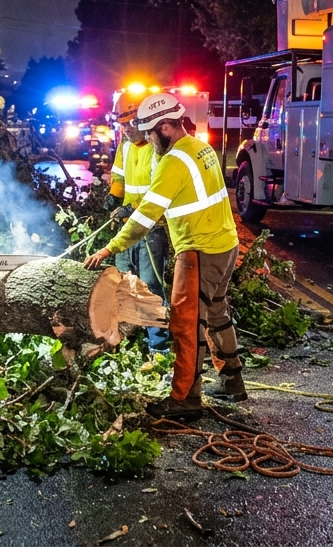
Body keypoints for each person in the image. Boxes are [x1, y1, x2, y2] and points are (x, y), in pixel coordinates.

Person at [83, 92, 245, 419]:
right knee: (217, 313)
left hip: (199, 251)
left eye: (151, 134)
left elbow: (144, 218)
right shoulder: (200, 148)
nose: (148, 141)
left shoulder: (173, 161)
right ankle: (233, 381)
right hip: (225, 245)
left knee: (186, 325)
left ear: (166, 127)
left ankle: (185, 399)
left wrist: (110, 248)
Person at [106, 93, 170, 354]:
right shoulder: (125, 146)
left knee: (150, 287)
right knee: (123, 283)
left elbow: (158, 192)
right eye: (122, 125)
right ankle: (128, 338)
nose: (126, 130)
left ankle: (159, 347)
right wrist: (114, 196)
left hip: (151, 228)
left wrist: (131, 207)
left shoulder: (157, 150)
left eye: (130, 124)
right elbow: (119, 176)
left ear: (142, 121)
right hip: (128, 226)